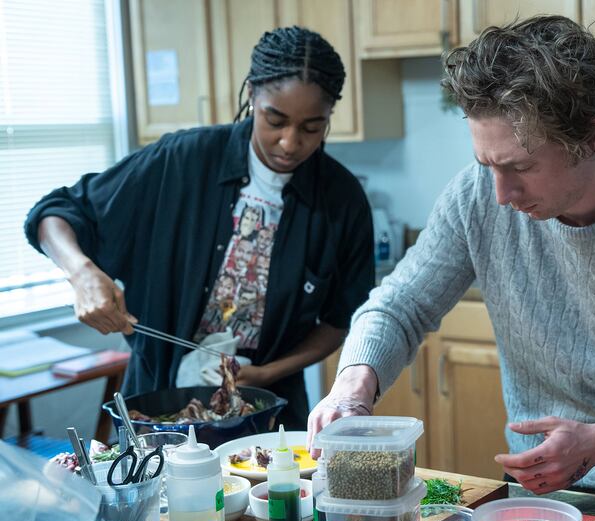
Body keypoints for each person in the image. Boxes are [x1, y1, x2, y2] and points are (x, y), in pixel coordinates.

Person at [308, 16, 595, 509]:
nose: (500, 194)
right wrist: (353, 384)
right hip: (533, 496)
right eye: (486, 165)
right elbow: (400, 304)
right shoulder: (477, 199)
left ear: (594, 135)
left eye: (521, 167)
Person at [24, 26, 374, 430]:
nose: (289, 143)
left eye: (312, 128)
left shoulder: (341, 200)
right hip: (156, 411)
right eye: (274, 120)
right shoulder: (181, 161)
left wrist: (267, 373)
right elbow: (56, 212)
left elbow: (339, 321)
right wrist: (82, 274)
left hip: (271, 412)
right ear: (252, 95)